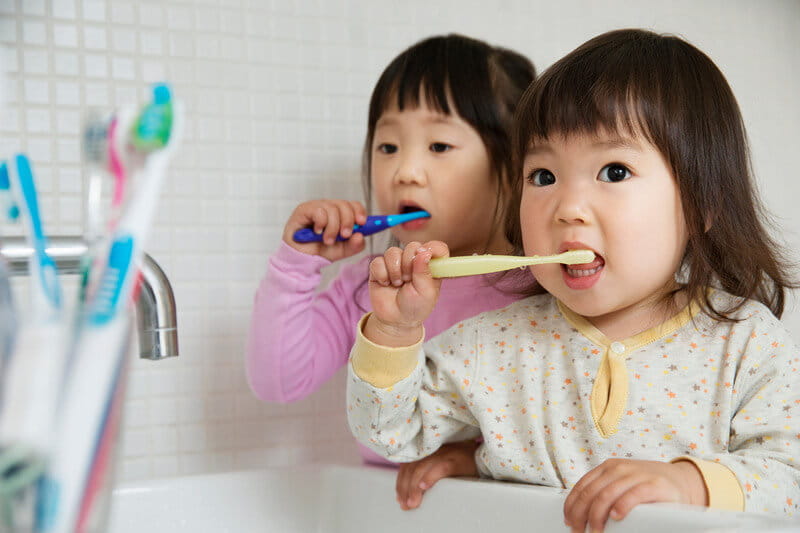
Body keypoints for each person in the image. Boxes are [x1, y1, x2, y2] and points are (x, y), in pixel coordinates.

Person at [346, 28, 800, 532]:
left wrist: (689, 483)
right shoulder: (492, 343)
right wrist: (393, 333)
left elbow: (790, 480)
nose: (568, 209)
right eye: (543, 176)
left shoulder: (746, 343)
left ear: (701, 203)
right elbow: (388, 433)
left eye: (613, 171)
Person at [246, 34, 536, 472]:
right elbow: (277, 382)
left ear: (515, 166)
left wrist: (474, 459)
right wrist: (297, 266)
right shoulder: (369, 285)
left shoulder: (540, 287)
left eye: (439, 146)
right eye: (387, 147)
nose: (405, 172)